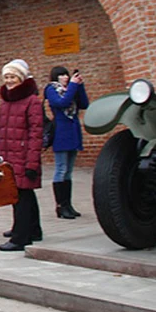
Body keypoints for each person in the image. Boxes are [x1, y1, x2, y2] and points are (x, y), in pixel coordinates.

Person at [0, 59, 44, 252]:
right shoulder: (6, 101)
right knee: (24, 193)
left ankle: (21, 238)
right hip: (10, 156)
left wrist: (31, 163)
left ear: (21, 78)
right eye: (6, 77)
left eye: (13, 77)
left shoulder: (32, 101)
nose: (9, 81)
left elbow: (36, 132)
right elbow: (2, 132)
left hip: (23, 156)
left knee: (20, 196)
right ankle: (33, 229)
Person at [44, 66, 89, 219]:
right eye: (61, 75)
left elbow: (83, 103)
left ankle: (68, 204)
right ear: (55, 77)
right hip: (61, 132)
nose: (65, 77)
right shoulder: (51, 89)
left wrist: (79, 86)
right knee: (61, 169)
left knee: (69, 171)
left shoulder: (71, 88)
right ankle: (60, 206)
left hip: (73, 131)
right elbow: (62, 103)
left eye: (66, 75)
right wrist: (73, 86)